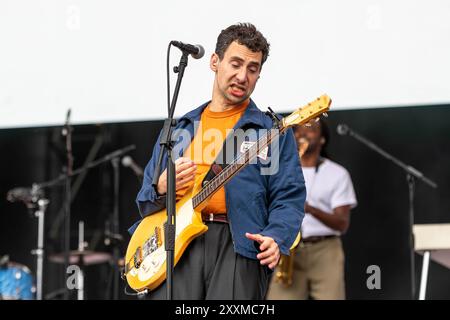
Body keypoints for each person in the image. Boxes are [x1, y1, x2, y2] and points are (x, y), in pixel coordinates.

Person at [130, 23, 306, 299]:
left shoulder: (271, 132)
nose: (242, 76)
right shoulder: (180, 128)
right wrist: (162, 187)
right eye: (235, 63)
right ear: (214, 61)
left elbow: (289, 196)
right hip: (176, 246)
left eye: (252, 68)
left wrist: (276, 236)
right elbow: (145, 199)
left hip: (238, 245)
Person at [266, 118, 357, 300]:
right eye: (298, 130)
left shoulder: (337, 173)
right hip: (288, 249)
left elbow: (342, 224)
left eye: (310, 129)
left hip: (324, 249)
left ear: (322, 139)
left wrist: (309, 209)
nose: (302, 134)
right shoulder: (279, 171)